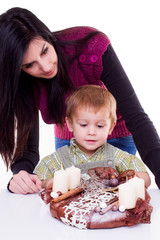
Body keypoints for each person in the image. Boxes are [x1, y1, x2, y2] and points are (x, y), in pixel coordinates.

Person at [0, 7, 159, 194]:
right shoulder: (22, 81)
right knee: (72, 197)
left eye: (44, 51)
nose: (45, 66)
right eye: (29, 65)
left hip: (115, 135)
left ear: (47, 36)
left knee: (111, 197)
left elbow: (136, 117)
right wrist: (22, 176)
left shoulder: (90, 48)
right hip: (68, 141)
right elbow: (28, 146)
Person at [34, 85, 151, 189]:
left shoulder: (118, 157)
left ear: (110, 128)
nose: (91, 132)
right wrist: (49, 183)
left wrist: (131, 179)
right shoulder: (58, 159)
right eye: (84, 125)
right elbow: (37, 180)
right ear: (70, 124)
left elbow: (146, 179)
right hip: (71, 212)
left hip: (108, 212)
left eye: (100, 126)